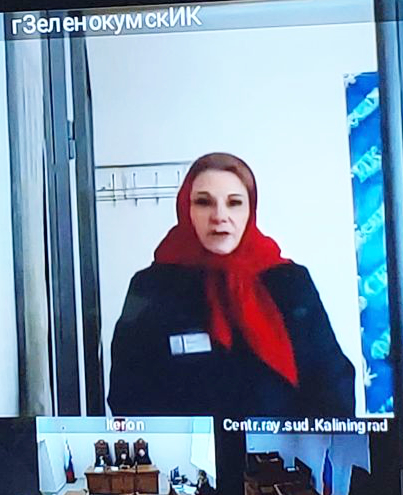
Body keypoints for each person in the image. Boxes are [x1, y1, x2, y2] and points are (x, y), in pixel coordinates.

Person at [107, 153, 355, 417]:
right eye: (204, 202)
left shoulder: (289, 282)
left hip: (281, 442)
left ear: (250, 210)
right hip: (189, 444)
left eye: (234, 203)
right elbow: (128, 393)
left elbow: (332, 385)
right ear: (186, 208)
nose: (219, 216)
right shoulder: (152, 287)